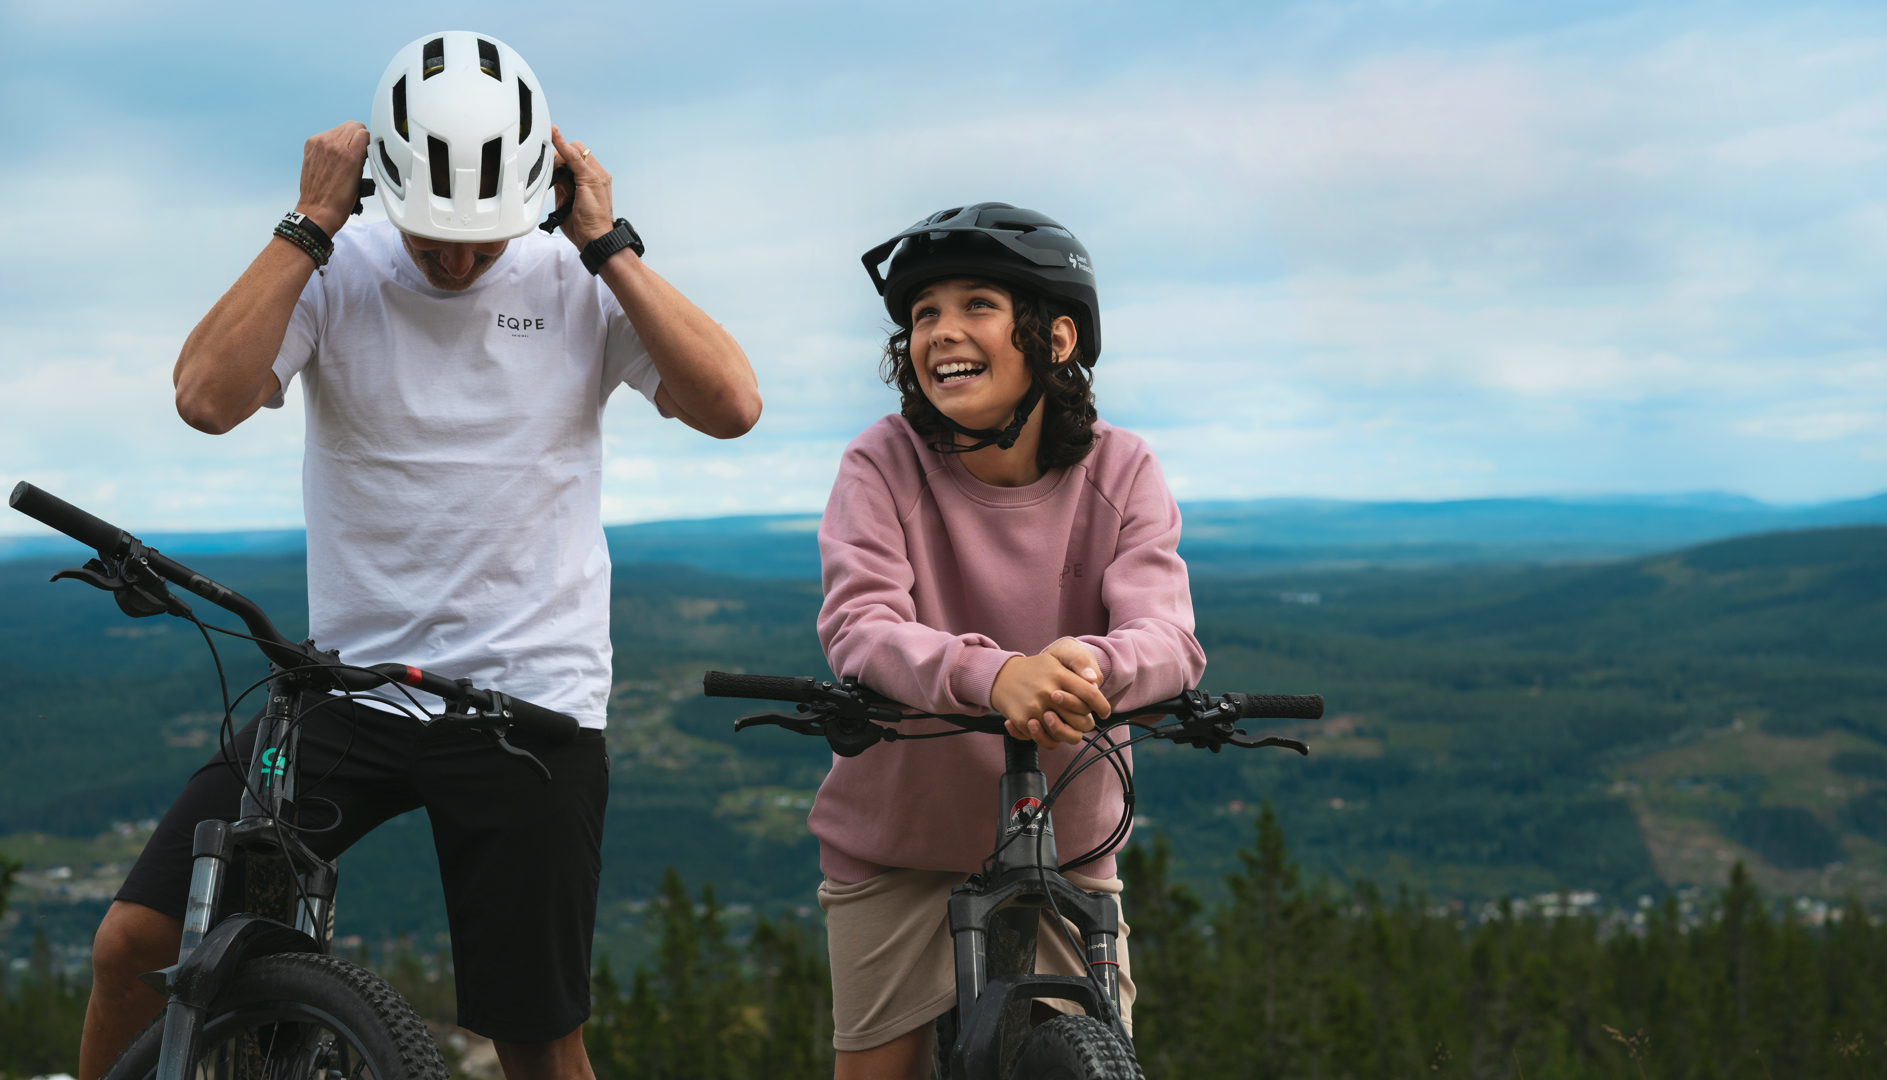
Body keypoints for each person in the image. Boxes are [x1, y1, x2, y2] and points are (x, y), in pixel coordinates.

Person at [78, 31, 760, 1080]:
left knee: (536, 1040)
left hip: (529, 707)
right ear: (383, 185)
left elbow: (733, 406)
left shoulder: (577, 279)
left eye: (482, 237)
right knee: (137, 942)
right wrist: (307, 222)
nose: (455, 258)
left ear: (538, 189)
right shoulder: (331, 270)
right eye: (433, 233)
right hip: (344, 691)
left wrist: (609, 241)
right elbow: (206, 399)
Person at [811, 202, 1204, 1078]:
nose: (942, 331)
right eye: (924, 314)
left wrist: (1090, 664)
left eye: (977, 304)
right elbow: (861, 625)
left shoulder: (1122, 467)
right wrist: (996, 677)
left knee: (1090, 1063)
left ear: (1055, 337)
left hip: (1068, 845)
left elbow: (1170, 638)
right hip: (900, 845)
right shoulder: (883, 462)